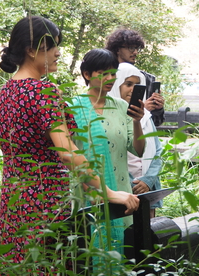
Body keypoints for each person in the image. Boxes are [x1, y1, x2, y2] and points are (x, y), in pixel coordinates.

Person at [0, 16, 139, 271]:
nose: (58, 53)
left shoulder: (7, 90)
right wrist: (108, 193)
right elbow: (67, 152)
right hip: (46, 199)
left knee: (21, 264)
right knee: (50, 265)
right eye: (53, 47)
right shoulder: (42, 91)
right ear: (31, 51)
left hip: (15, 197)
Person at [70, 48, 145, 260]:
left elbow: (138, 150)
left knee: (120, 256)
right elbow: (67, 155)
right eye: (104, 73)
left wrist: (137, 121)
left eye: (113, 73)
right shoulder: (73, 108)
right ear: (87, 74)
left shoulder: (122, 107)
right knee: (88, 258)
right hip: (87, 195)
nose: (110, 78)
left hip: (122, 195)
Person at [109, 63, 163, 218]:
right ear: (116, 85)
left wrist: (148, 180)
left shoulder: (145, 115)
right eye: (128, 84)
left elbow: (157, 150)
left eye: (137, 85)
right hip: (123, 188)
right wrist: (132, 183)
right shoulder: (110, 117)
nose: (133, 89)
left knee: (148, 233)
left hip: (148, 189)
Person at [105, 28, 165, 126]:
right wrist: (142, 110)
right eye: (131, 48)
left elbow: (156, 122)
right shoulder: (105, 77)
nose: (135, 52)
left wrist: (158, 109)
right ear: (117, 49)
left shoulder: (147, 79)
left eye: (137, 48)